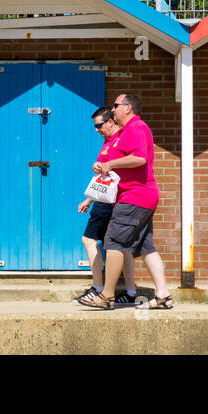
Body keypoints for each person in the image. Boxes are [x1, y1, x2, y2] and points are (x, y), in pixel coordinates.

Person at [78, 94, 173, 310]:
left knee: (113, 242)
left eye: (116, 106)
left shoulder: (136, 128)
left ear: (127, 108)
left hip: (134, 197)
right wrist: (106, 167)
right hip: (142, 197)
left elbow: (139, 158)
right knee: (145, 245)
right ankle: (163, 295)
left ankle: (107, 296)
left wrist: (110, 164)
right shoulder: (127, 132)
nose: (112, 109)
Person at [76, 107, 137, 304]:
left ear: (111, 121)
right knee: (122, 248)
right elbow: (105, 177)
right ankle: (130, 291)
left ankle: (98, 287)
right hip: (107, 199)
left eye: (99, 125)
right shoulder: (108, 142)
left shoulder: (121, 139)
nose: (96, 130)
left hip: (114, 201)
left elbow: (128, 166)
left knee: (89, 239)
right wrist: (89, 199)